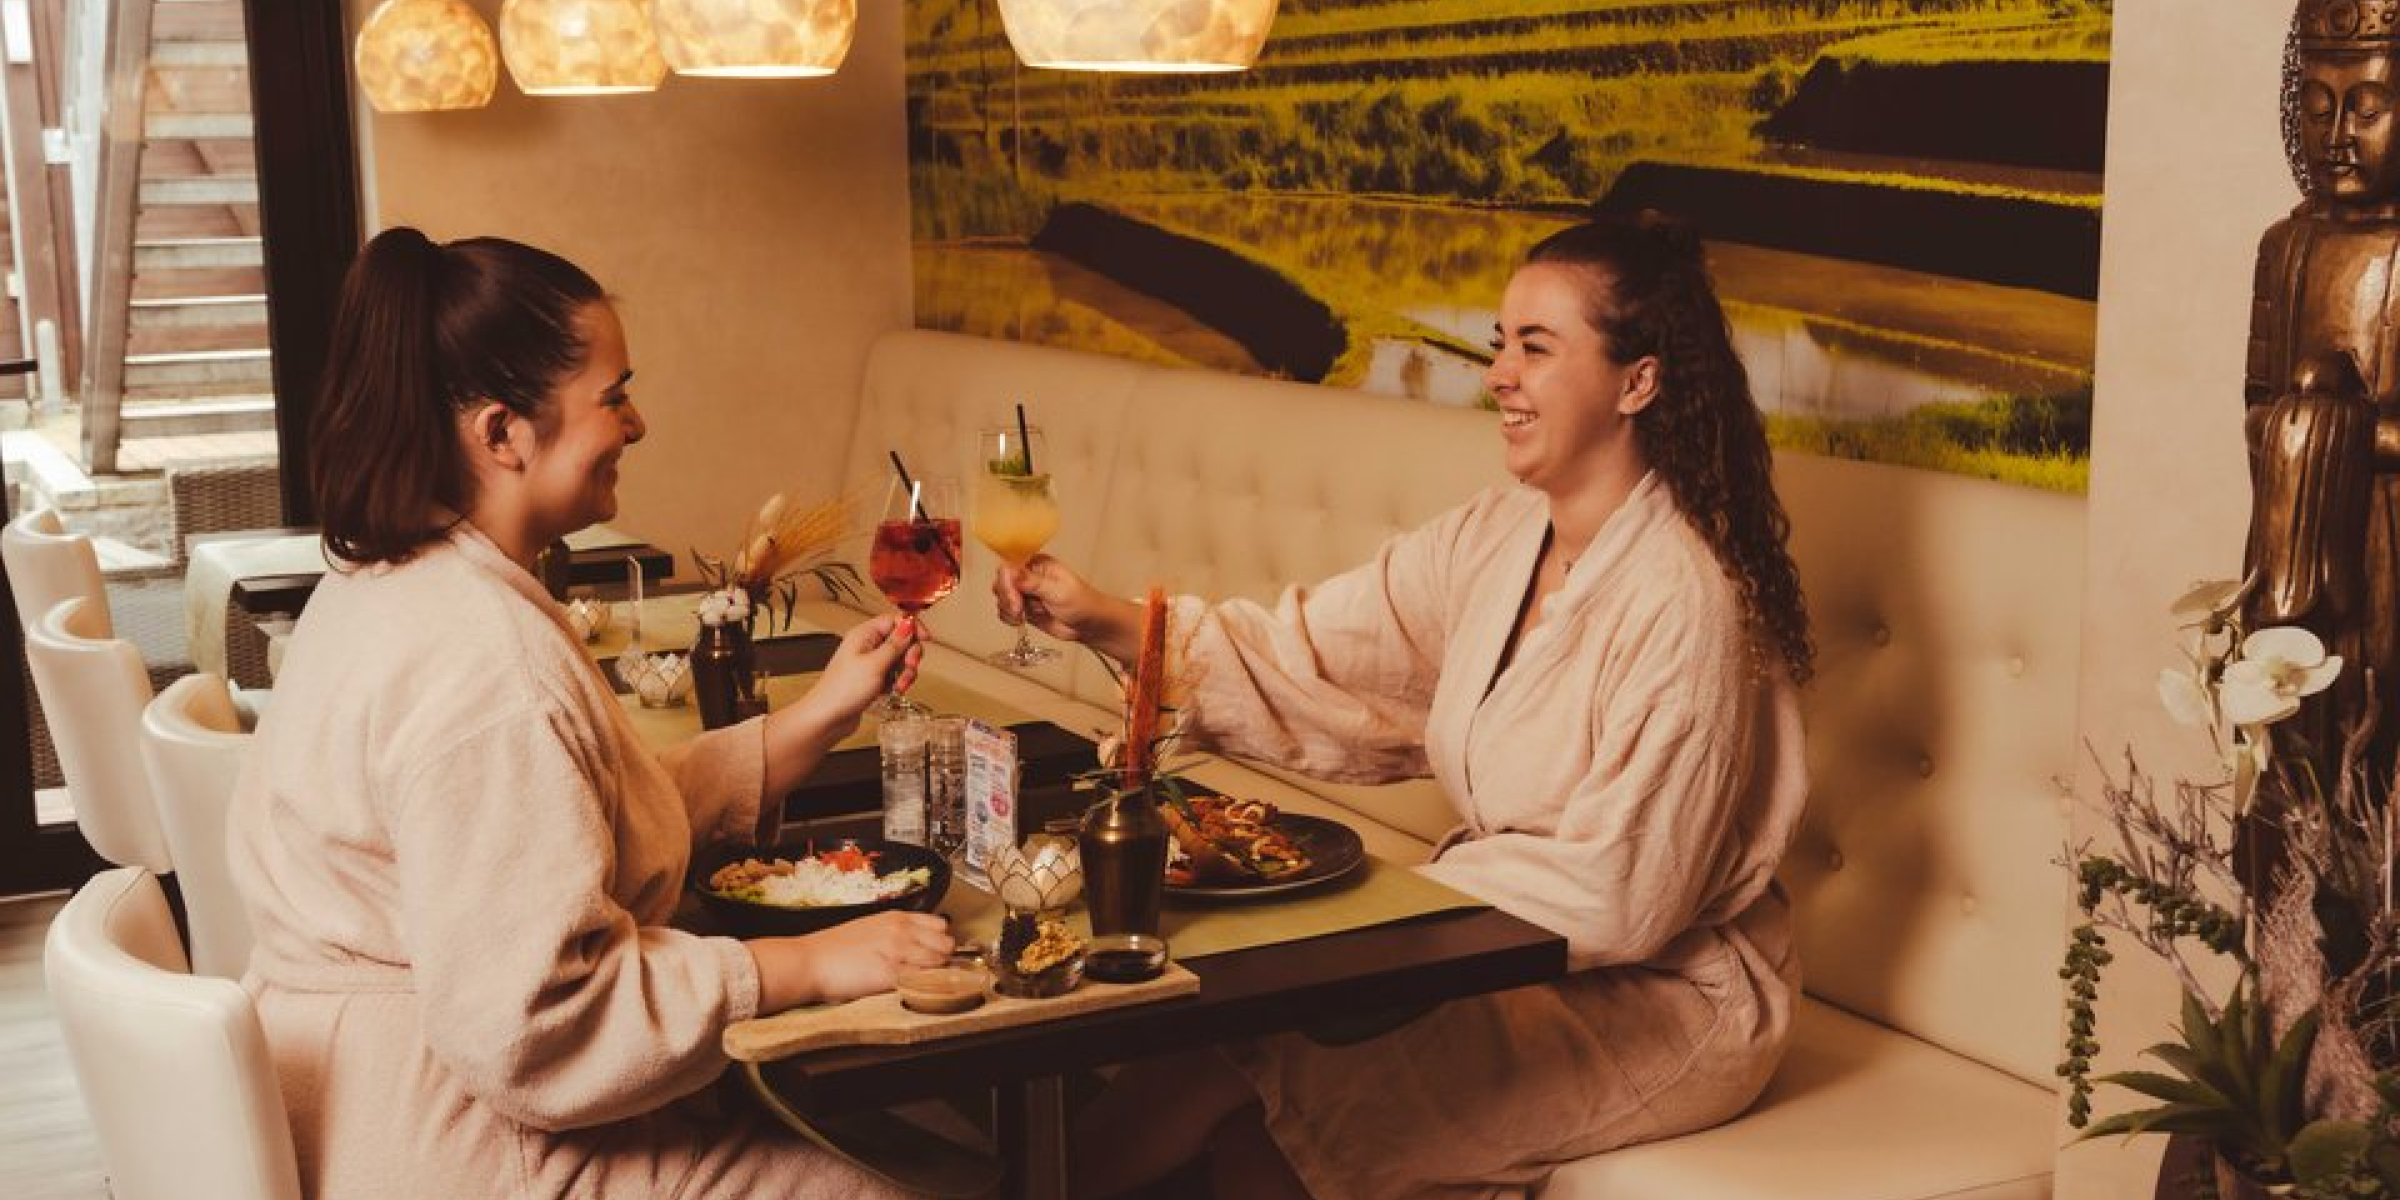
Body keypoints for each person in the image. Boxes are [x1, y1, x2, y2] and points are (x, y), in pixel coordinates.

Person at [997, 212, 1813, 1200]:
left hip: (1662, 998)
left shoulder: (1685, 601)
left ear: (1637, 381)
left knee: (1276, 1120)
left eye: (1537, 348)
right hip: (1503, 947)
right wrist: (1103, 617)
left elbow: (1624, 895)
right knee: (1224, 1039)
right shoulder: (1498, 536)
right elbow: (1321, 648)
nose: (1499, 374)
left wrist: (1398, 912)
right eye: (1501, 343)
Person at [226, 228, 953, 1199]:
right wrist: (797, 967)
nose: (637, 422)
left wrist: (815, 716)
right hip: (462, 1143)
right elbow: (536, 1022)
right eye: (612, 397)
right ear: (500, 433)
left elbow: (565, 822)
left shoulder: (396, 584)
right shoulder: (485, 665)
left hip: (367, 1098)